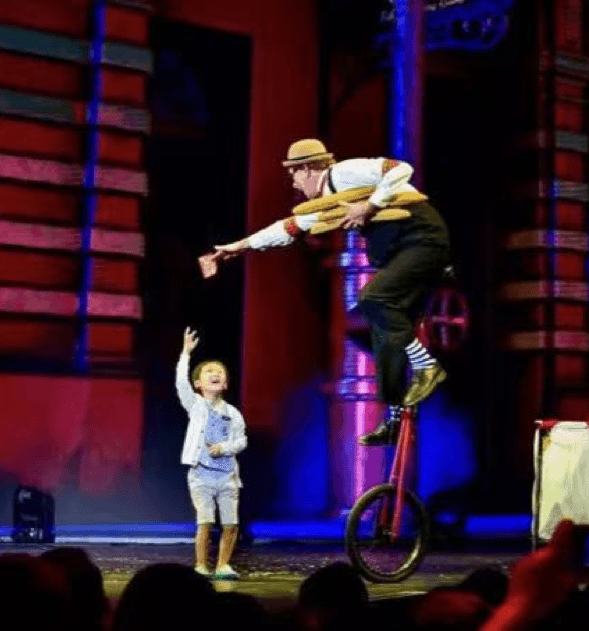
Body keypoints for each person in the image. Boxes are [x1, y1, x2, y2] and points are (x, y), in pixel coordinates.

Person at [204, 138, 451, 446]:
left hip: (422, 238)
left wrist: (369, 205)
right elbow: (287, 229)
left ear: (309, 169)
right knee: (380, 330)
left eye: (294, 173)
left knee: (372, 299)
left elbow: (401, 168)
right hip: (400, 251)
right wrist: (237, 247)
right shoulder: (327, 201)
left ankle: (427, 366)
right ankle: (394, 419)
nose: (293, 182)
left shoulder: (345, 173)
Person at [177, 327, 248, 579]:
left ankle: (223, 565)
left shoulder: (233, 413)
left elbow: (241, 440)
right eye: (208, 371)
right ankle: (201, 564)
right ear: (198, 384)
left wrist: (224, 448)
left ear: (225, 383)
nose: (215, 373)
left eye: (219, 371)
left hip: (227, 476)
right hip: (201, 475)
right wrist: (186, 353)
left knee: (231, 524)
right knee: (205, 521)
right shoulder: (195, 406)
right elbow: (180, 383)